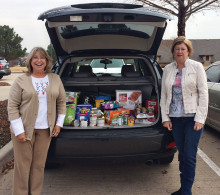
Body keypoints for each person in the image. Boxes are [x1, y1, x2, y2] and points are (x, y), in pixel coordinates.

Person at [8, 47, 66, 195]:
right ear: (30, 61)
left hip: (45, 130)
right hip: (24, 129)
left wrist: (59, 123)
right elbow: (12, 106)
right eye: (35, 57)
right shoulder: (21, 80)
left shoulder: (55, 79)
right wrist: (18, 130)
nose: (39, 60)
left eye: (42, 58)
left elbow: (61, 102)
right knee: (23, 167)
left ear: (47, 61)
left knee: (39, 166)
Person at [160, 36, 208, 195]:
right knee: (182, 155)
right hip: (175, 118)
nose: (179, 51)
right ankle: (183, 188)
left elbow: (203, 93)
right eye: (177, 49)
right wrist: (165, 117)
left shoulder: (197, 67)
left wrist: (200, 118)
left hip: (192, 118)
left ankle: (186, 191)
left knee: (189, 155)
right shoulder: (167, 69)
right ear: (173, 51)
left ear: (188, 51)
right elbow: (164, 95)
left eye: (183, 49)